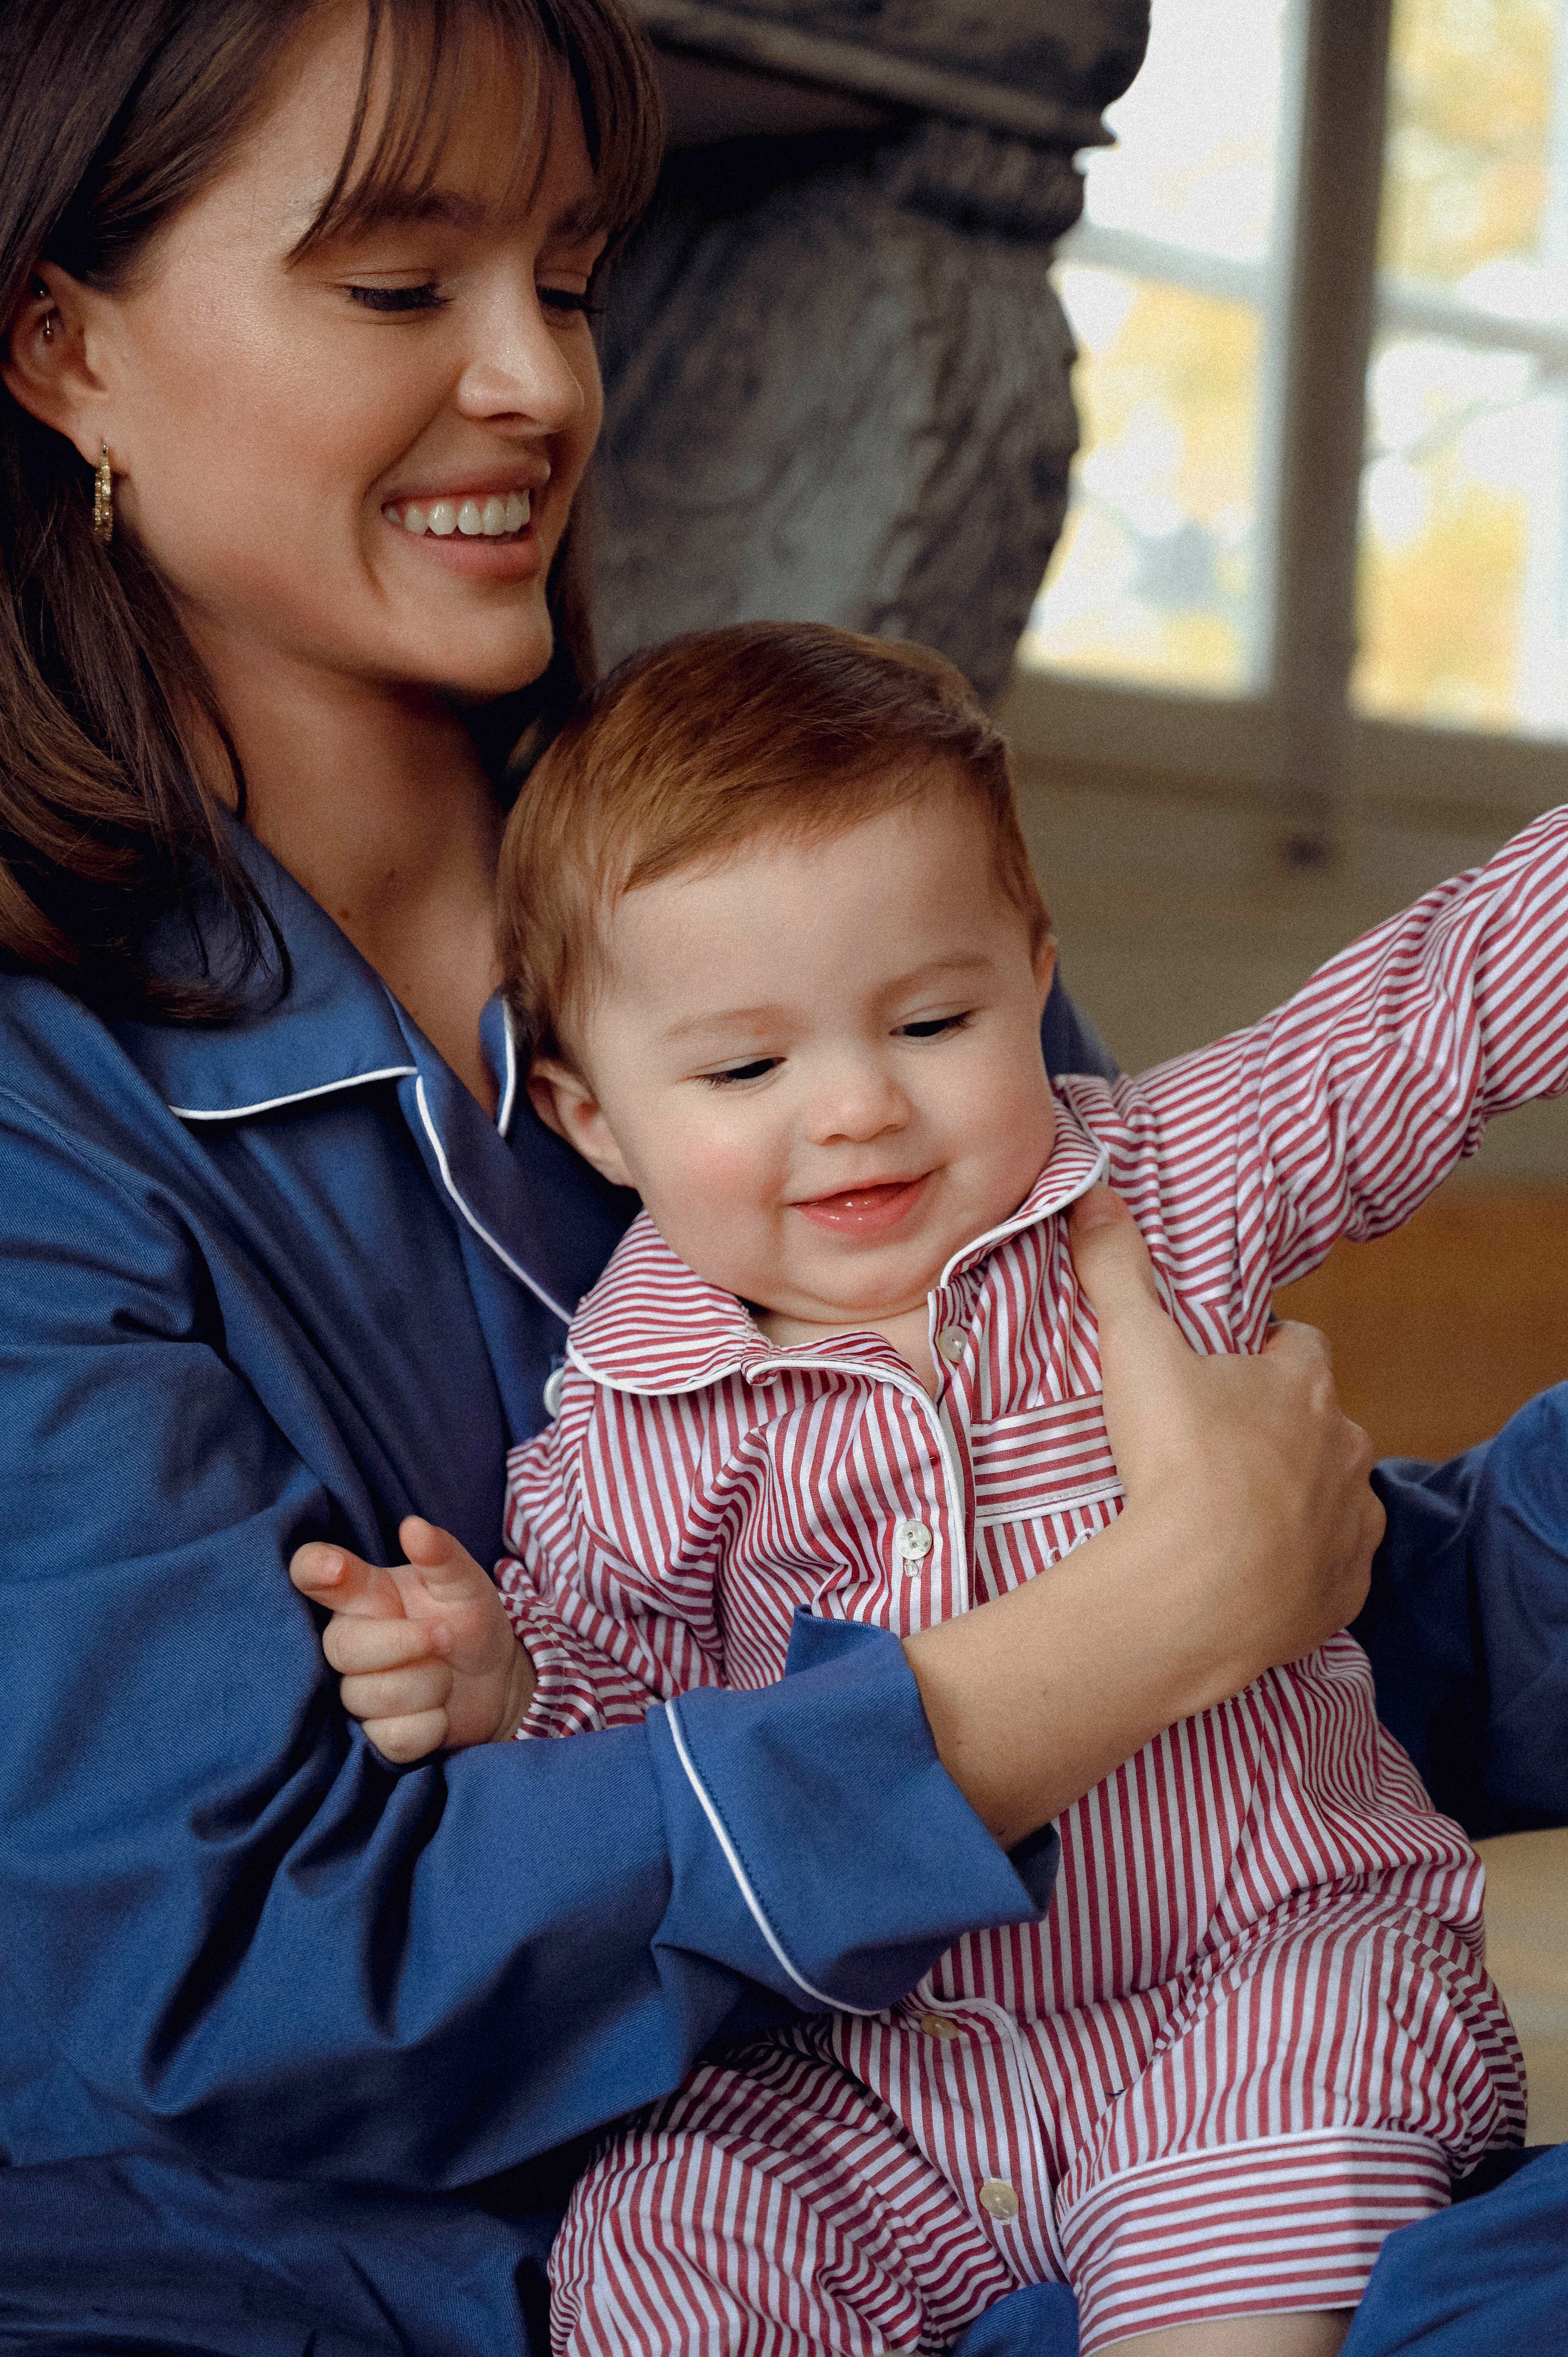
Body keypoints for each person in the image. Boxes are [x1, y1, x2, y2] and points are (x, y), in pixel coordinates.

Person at [0, 5, 1394, 2354]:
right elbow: (247, 1971)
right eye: (396, 284)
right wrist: (1125, 1636)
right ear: (62, 343)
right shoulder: (47, 1116)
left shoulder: (801, 886)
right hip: (325, 2285)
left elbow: (1242, 1563)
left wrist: (1223, 1578)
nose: (539, 383)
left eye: (570, 274)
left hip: (1020, 2142)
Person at [297, 622, 1565, 2355]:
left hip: (1253, 1978)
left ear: (1035, 979)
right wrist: (505, 1681)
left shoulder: (1164, 1186)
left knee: (1275, 2151)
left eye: (934, 1018)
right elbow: (635, 1743)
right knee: (661, 2232)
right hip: (886, 2079)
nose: (857, 1110)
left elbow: (1435, 1015)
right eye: (747, 1069)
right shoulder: (628, 1415)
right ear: (596, 1118)